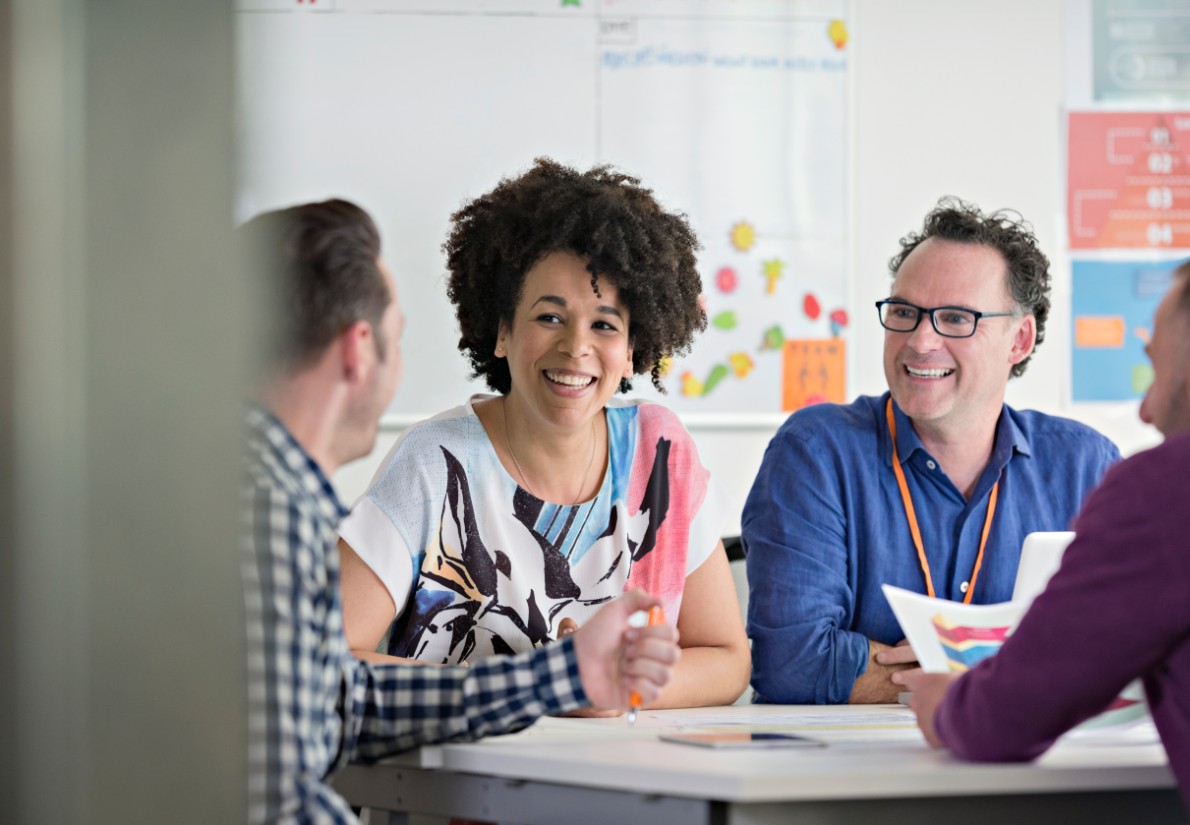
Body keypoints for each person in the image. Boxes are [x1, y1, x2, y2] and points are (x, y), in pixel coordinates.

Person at [241, 198, 681, 824]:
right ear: (358, 351)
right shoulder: (272, 512)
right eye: (399, 340)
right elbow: (281, 797)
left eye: (605, 325)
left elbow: (346, 701)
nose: (577, 346)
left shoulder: (257, 490)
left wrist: (564, 677)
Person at [336, 158, 751, 711]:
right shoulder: (434, 463)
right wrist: (552, 685)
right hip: (458, 790)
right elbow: (330, 664)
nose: (577, 347)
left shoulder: (660, 452)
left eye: (604, 324)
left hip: (630, 786)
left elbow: (727, 658)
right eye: (549, 317)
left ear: (632, 352)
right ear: (502, 332)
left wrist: (612, 690)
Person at [904, 239, 1190, 825]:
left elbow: (1007, 717)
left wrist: (949, 703)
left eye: (1158, 368)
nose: (1147, 411)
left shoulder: (1173, 487)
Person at [742, 199, 1120, 704]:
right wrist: (1005, 676)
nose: (920, 341)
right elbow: (790, 663)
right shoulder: (816, 452)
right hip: (858, 776)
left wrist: (938, 674)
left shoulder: (1085, 467)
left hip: (1035, 770)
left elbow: (1127, 650)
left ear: (1019, 340)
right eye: (904, 312)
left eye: (956, 318)